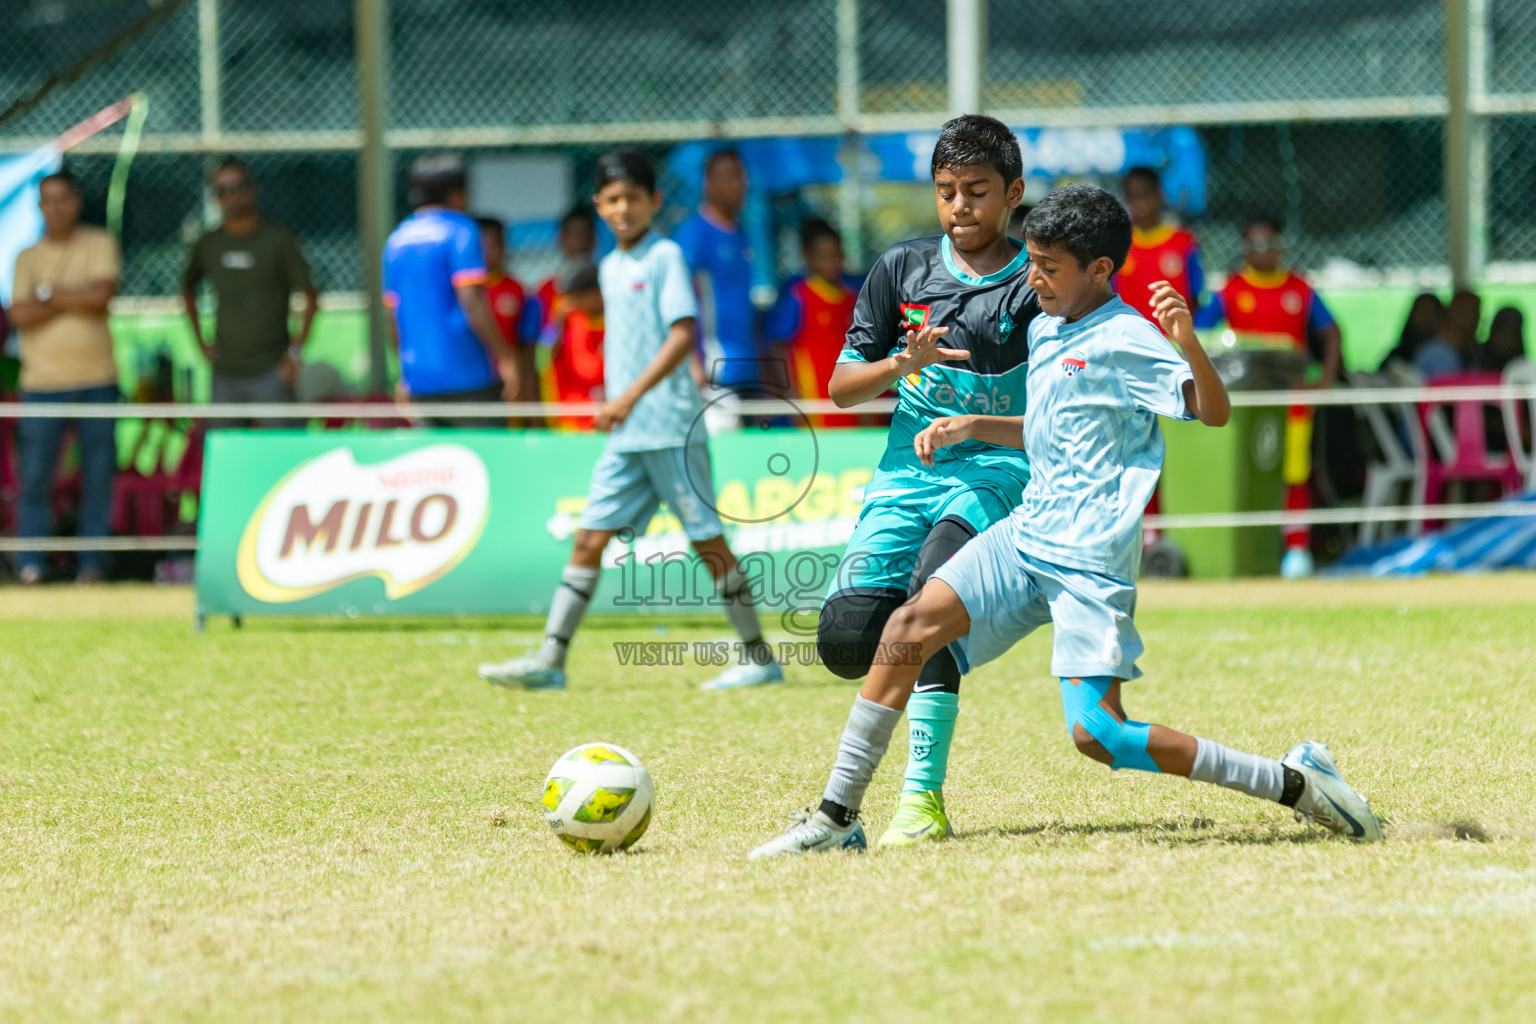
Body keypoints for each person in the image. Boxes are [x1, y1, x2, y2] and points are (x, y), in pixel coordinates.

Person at [750, 183, 1383, 860]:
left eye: (1049, 267)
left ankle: (1294, 782)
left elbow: (1214, 409)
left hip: (1087, 558)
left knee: (1099, 737)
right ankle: (837, 816)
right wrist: (977, 425)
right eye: (1033, 261)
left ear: (1100, 271)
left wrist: (1189, 345)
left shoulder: (1130, 338)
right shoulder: (1048, 324)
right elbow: (1052, 425)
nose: (1034, 278)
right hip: (1026, 534)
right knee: (909, 627)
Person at [809, 114, 1040, 846]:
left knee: (931, 593)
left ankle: (922, 800)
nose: (960, 206)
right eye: (946, 192)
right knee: (847, 640)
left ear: (1013, 193)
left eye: (977, 190)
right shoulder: (901, 270)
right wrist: (902, 366)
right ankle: (948, 642)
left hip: (996, 467)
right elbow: (841, 388)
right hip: (905, 474)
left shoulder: (1040, 278)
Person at [477, 149, 781, 692]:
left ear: (653, 202)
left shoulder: (665, 255)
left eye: (633, 199)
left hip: (669, 427)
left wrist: (627, 397)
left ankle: (758, 657)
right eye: (613, 199)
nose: (623, 209)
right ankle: (551, 659)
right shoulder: (611, 267)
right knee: (588, 540)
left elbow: (682, 334)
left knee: (708, 543)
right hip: (628, 434)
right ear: (599, 205)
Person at [1194, 215, 1343, 579]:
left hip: (1291, 402)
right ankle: (1248, 545)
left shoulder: (1300, 288)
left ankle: (1296, 550)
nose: (1261, 253)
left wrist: (1324, 378)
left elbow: (1331, 331)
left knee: (1294, 472)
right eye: (1252, 246)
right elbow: (1199, 332)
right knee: (1248, 472)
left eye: (1267, 244)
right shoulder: (1230, 289)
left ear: (1281, 245)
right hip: (1243, 405)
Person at [7, 171, 121, 585]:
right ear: (39, 206)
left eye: (62, 199)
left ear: (76, 200)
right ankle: (30, 565)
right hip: (41, 385)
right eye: (46, 200)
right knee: (35, 480)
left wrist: (48, 295)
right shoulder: (26, 256)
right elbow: (18, 315)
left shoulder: (99, 243)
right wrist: (77, 298)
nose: (55, 207)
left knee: (98, 476)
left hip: (98, 379)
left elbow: (102, 296)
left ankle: (91, 566)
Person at [382, 154, 517, 427]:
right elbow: (472, 302)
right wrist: (505, 357)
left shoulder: (396, 240)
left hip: (420, 380)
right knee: (483, 462)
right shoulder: (461, 230)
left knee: (437, 466)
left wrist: (403, 374)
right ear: (456, 193)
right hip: (470, 377)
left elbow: (392, 315)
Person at [182, 158, 317, 428]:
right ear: (214, 198)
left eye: (238, 187)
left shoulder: (278, 239)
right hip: (224, 371)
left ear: (253, 190)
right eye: (222, 190)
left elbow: (311, 297)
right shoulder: (209, 244)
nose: (232, 196)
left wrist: (293, 356)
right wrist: (201, 342)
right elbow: (187, 290)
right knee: (225, 456)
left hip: (271, 369)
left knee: (281, 455)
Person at [674, 150, 760, 407]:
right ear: (708, 183)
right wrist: (691, 362)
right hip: (714, 370)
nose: (740, 184)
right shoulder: (693, 235)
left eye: (742, 176)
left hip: (748, 367)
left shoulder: (740, 232)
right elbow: (679, 300)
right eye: (730, 176)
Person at [764, 217, 861, 427]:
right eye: (822, 256)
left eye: (835, 256)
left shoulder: (851, 297)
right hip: (812, 393)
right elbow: (778, 346)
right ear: (808, 257)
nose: (830, 263)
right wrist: (792, 393)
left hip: (844, 392)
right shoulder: (799, 295)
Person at [536, 207, 605, 430]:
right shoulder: (547, 291)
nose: (578, 243)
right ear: (560, 240)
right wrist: (557, 321)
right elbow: (541, 354)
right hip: (567, 409)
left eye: (583, 235)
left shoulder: (612, 290)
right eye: (571, 235)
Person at [1114, 166, 1204, 323]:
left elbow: (1197, 296)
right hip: (1129, 341)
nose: (1140, 203)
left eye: (1145, 194)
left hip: (1173, 344)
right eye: (1133, 197)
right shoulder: (1116, 244)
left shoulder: (1183, 241)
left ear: (1159, 195)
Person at [476, 215, 541, 409]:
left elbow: (528, 353)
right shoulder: (459, 292)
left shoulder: (518, 291)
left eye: (497, 244)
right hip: (469, 383)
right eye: (484, 246)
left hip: (507, 384)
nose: (492, 252)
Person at [540, 261, 605, 430]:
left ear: (596, 293)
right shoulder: (567, 319)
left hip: (607, 419)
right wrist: (556, 323)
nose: (571, 302)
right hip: (571, 421)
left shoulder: (618, 321)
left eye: (576, 296)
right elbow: (542, 359)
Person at [1380, 291, 1445, 371]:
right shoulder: (1399, 354)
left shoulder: (1443, 351)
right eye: (1421, 312)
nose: (1425, 318)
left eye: (1429, 312)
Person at [1480, 306, 1526, 373]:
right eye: (1503, 331)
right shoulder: (1476, 357)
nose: (1507, 338)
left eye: (1512, 333)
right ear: (1493, 331)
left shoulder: (1520, 362)